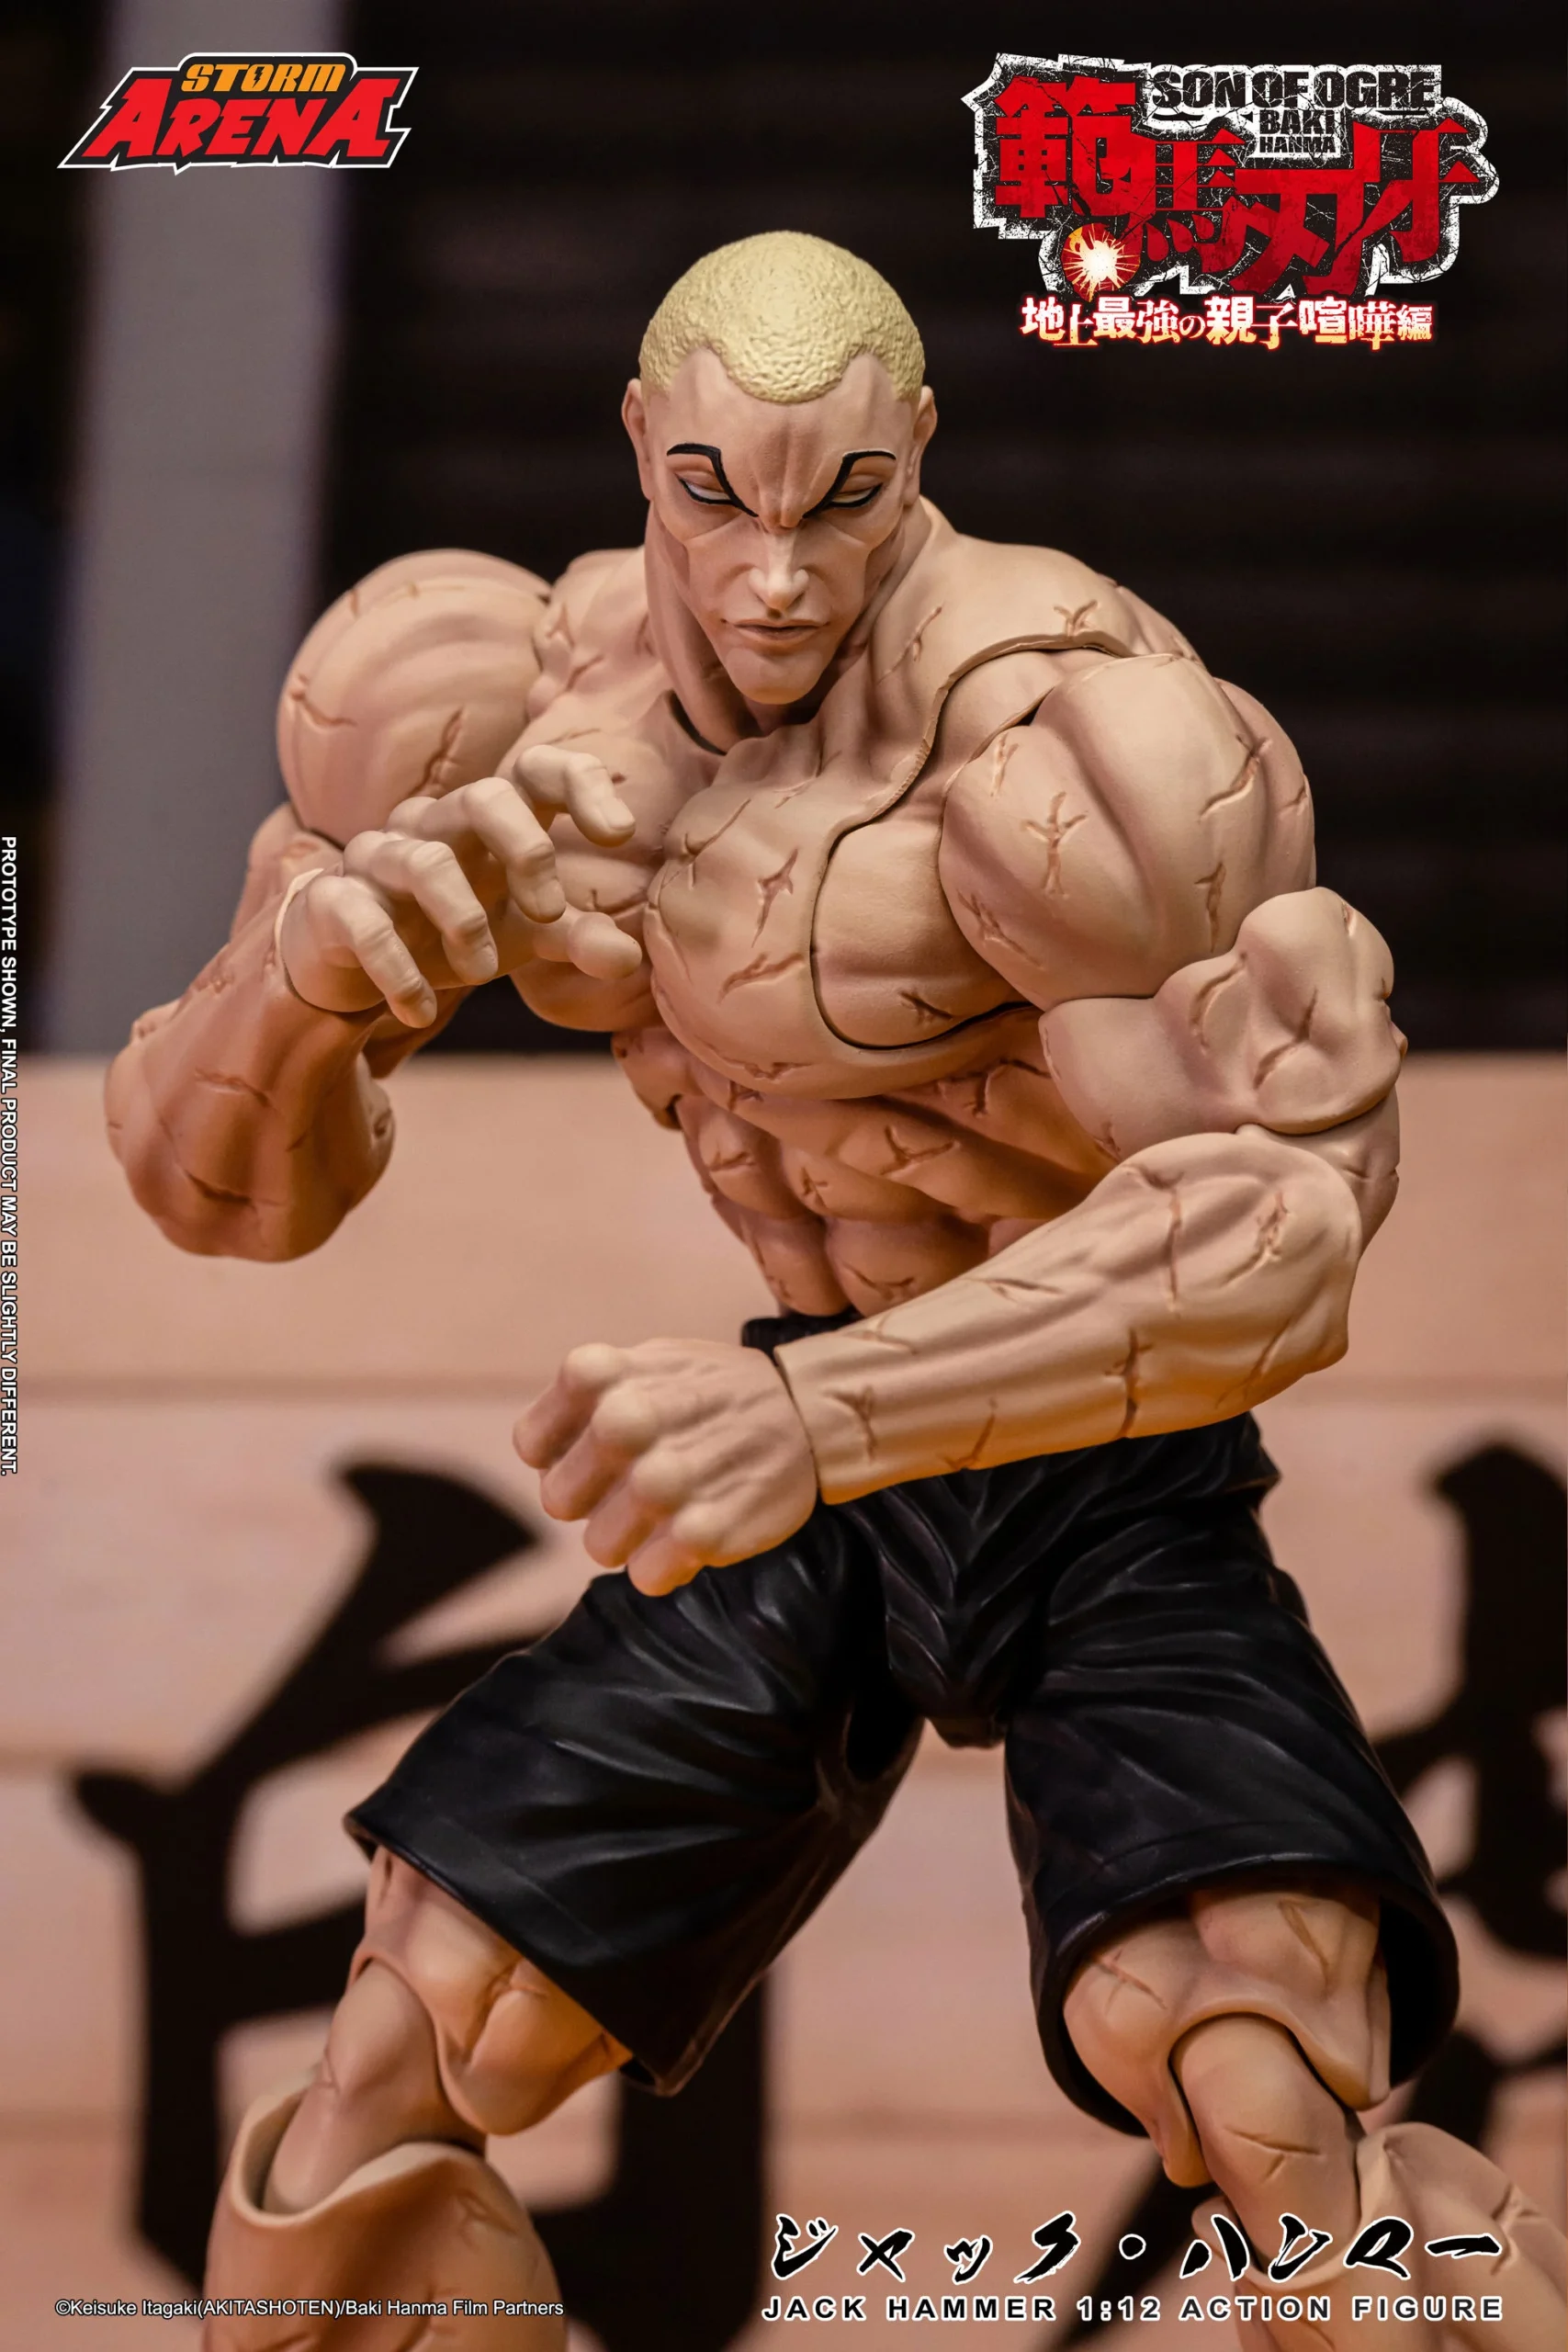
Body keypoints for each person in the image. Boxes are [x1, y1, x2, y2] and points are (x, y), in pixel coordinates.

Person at [107, 233, 1563, 2351]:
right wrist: (295, 993)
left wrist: (815, 1416)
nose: (778, 577)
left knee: (1250, 2066)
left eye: (844, 499)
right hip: (795, 1476)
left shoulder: (1072, 738)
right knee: (401, 2065)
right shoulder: (478, 696)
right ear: (638, 441)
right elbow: (215, 1196)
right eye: (716, 493)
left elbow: (1284, 1233)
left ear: (921, 453)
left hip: (1082, 1455)